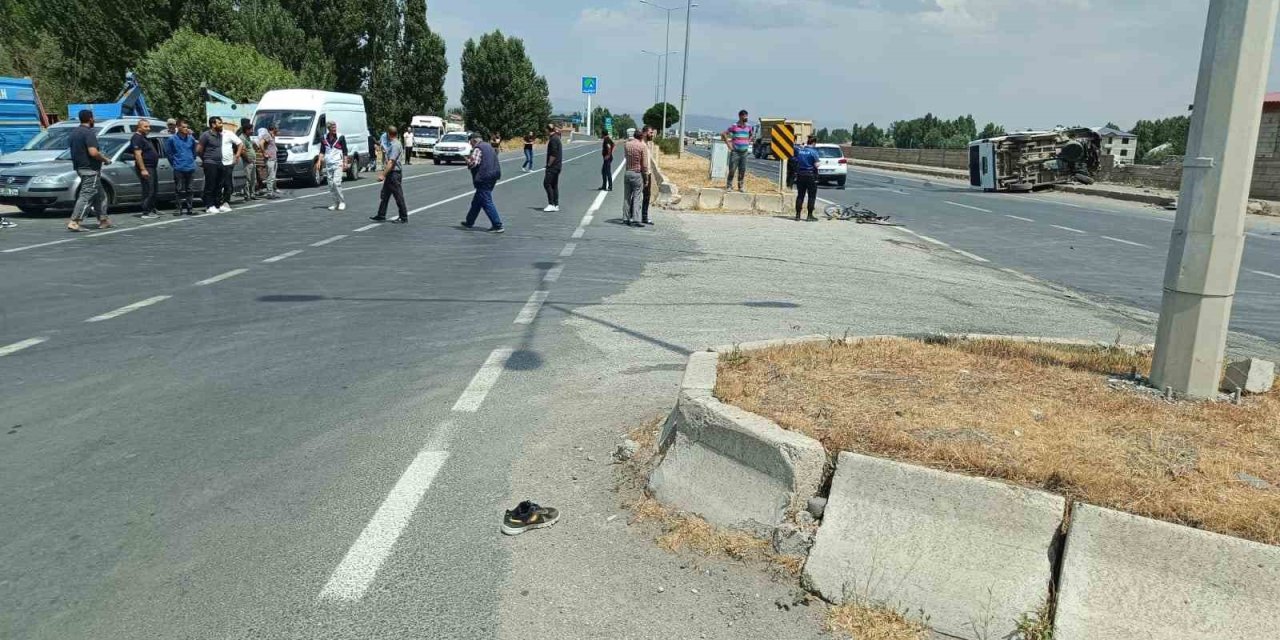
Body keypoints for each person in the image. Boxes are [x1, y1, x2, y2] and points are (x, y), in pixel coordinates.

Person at [66, 109, 113, 231]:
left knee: (100, 195)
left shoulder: (74, 133)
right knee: (86, 194)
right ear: (91, 119)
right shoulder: (88, 133)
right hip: (90, 169)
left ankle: (103, 220)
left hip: (80, 167)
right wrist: (105, 159)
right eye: (93, 118)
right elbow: (93, 152)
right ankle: (75, 221)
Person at [462, 132, 504, 233]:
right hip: (493, 175)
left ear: (474, 140)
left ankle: (497, 225)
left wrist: (467, 161)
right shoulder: (488, 146)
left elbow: (474, 163)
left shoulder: (478, 148)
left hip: (484, 177)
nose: (470, 144)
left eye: (471, 142)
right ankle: (469, 221)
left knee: (486, 200)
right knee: (477, 201)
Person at [369, 126, 408, 224]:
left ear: (389, 134)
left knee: (398, 195)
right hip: (391, 173)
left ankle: (403, 217)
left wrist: (383, 175)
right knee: (385, 195)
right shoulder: (392, 144)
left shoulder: (395, 145)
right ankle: (381, 214)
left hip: (394, 173)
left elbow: (391, 162)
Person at [164, 119, 199, 216]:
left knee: (190, 189)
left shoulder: (191, 138)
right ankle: (178, 209)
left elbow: (194, 152)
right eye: (184, 127)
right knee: (178, 189)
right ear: (178, 127)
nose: (186, 129)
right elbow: (169, 153)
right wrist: (174, 163)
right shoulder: (172, 139)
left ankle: (190, 208)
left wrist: (191, 159)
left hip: (190, 167)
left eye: (187, 127)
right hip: (179, 167)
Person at [128, 118, 160, 219]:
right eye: (145, 127)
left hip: (152, 167)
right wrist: (143, 169)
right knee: (148, 189)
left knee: (154, 189)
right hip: (146, 167)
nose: (148, 128)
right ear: (139, 127)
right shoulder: (136, 138)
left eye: (149, 126)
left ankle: (152, 209)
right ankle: (146, 211)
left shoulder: (144, 137)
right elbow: (138, 155)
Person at [313, 120, 349, 211]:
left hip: (338, 163)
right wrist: (319, 162)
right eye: (332, 128)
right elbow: (322, 151)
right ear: (329, 129)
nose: (334, 129)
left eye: (335, 127)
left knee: (336, 183)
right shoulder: (324, 138)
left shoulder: (340, 137)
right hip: (329, 164)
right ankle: (335, 202)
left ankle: (342, 202)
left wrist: (345, 163)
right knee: (330, 184)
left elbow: (345, 151)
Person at [622, 128, 648, 227]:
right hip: (637, 173)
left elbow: (626, 157)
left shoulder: (627, 145)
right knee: (637, 197)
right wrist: (646, 178)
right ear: (641, 136)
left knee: (626, 197)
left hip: (628, 172)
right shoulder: (642, 146)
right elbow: (644, 165)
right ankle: (636, 219)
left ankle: (625, 218)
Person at [722, 109, 753, 192]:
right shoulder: (734, 126)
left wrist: (748, 142)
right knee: (732, 169)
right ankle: (729, 186)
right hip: (735, 152)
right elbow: (724, 134)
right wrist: (729, 145)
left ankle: (740, 187)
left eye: (746, 116)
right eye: (744, 116)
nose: (746, 117)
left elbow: (751, 135)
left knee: (742, 170)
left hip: (744, 152)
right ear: (740, 116)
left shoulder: (749, 127)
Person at [791, 136, 820, 221]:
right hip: (810, 175)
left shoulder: (800, 151)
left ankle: (797, 215)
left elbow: (796, 161)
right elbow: (817, 165)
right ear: (814, 143)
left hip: (800, 175)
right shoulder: (813, 152)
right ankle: (809, 215)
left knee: (800, 195)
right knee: (811, 196)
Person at [542, 123, 562, 212]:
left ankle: (551, 204)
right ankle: (556, 204)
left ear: (547, 130)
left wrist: (548, 165)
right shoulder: (556, 138)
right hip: (557, 165)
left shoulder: (553, 139)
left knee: (546, 183)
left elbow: (553, 154)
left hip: (553, 166)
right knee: (554, 185)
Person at [238, 118, 259, 201]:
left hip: (252, 161)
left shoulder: (248, 138)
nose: (252, 131)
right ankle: (247, 195)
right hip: (247, 162)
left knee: (253, 179)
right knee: (247, 179)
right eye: (250, 130)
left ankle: (252, 194)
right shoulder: (242, 138)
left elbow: (251, 147)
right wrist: (247, 159)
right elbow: (242, 151)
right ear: (246, 130)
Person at [259, 121, 280, 198]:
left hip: (274, 159)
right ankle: (269, 192)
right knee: (270, 176)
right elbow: (261, 143)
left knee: (273, 176)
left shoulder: (272, 135)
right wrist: (264, 153)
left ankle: (272, 191)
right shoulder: (267, 135)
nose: (278, 129)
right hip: (270, 159)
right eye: (277, 128)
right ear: (273, 128)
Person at [642, 126, 656, 225]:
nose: (652, 135)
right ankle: (632, 215)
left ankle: (644, 216)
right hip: (643, 173)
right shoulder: (642, 144)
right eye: (650, 133)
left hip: (648, 173)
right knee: (638, 195)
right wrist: (645, 175)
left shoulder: (648, 144)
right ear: (644, 133)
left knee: (646, 196)